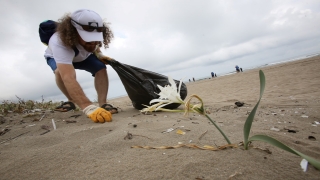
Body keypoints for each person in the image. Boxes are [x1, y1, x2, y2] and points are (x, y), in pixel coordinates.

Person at [44, 9, 117, 123]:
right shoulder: (59, 42)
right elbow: (68, 77)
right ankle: (71, 101)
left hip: (82, 56)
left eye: (95, 37)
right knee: (60, 73)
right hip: (57, 57)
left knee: (101, 68)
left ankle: (103, 103)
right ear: (73, 32)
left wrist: (99, 54)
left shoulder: (93, 39)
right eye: (88, 37)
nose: (93, 41)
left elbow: (94, 44)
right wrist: (88, 106)